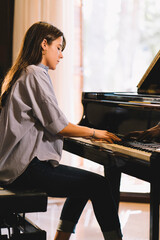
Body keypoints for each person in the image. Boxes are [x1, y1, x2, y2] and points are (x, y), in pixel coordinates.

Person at [0, 21, 123, 240]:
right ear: (43, 44)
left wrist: (83, 132)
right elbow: (59, 125)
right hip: (24, 170)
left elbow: (53, 123)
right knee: (99, 185)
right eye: (58, 47)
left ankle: (61, 237)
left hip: (18, 167)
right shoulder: (34, 74)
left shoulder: (25, 73)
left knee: (86, 183)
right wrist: (96, 133)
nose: (61, 55)